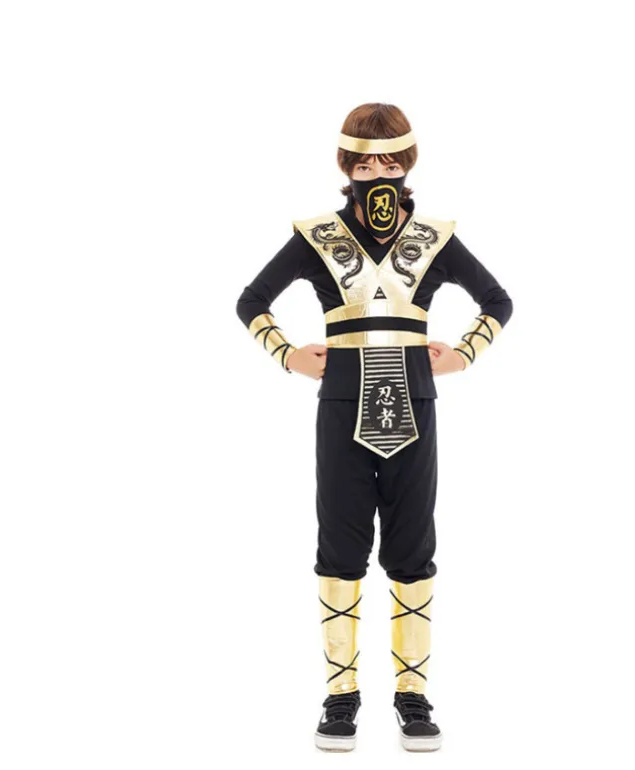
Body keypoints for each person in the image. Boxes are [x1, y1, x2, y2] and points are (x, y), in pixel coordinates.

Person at [236, 103, 513, 752]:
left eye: (391, 164)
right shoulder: (318, 236)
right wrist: (288, 355)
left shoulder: (435, 239)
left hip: (413, 404)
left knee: (413, 547)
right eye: (366, 165)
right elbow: (251, 301)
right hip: (341, 406)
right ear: (347, 167)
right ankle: (341, 695)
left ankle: (413, 695)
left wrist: (464, 354)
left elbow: (498, 301)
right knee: (340, 546)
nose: (379, 175)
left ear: (408, 165)